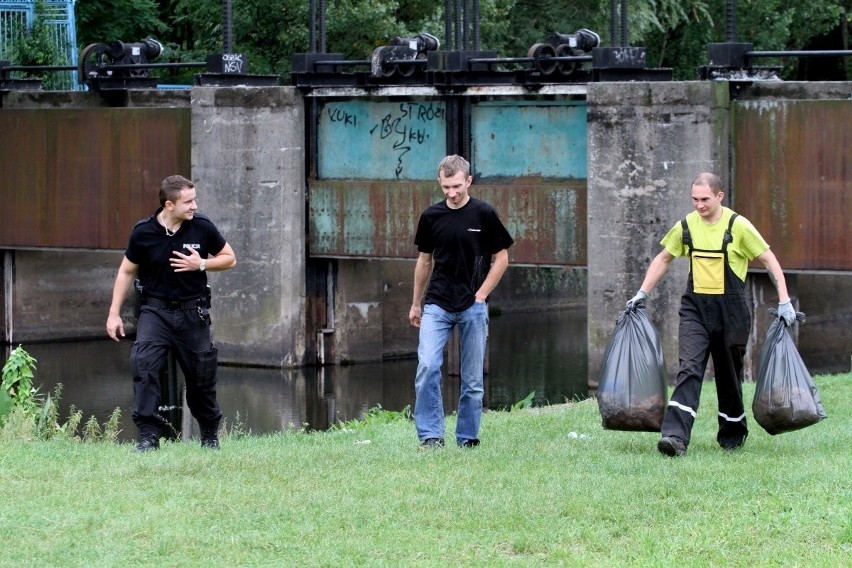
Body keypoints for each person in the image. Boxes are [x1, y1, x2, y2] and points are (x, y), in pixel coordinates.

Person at [626, 172, 796, 457]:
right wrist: (642, 292)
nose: (699, 205)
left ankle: (733, 433)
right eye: (694, 199)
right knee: (689, 368)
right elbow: (664, 257)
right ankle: (675, 436)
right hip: (695, 309)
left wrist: (784, 301)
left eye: (705, 199)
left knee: (728, 375)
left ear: (719, 196)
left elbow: (768, 259)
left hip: (731, 313)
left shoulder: (737, 226)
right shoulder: (687, 225)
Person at [106, 175, 236, 452]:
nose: (194, 206)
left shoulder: (202, 228)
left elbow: (229, 258)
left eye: (194, 199)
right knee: (144, 367)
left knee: (201, 379)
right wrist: (113, 313)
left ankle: (210, 436)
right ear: (169, 204)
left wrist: (201, 264)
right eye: (188, 201)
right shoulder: (143, 232)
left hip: (193, 312)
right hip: (155, 312)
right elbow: (127, 270)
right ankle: (148, 437)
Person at [408, 155, 514, 449]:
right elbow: (423, 262)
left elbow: (502, 257)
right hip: (437, 303)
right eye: (445, 187)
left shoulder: (484, 214)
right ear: (439, 183)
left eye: (456, 186)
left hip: (472, 306)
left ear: (468, 181)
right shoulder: (431, 217)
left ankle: (467, 438)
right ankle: (431, 436)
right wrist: (416, 303)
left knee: (472, 380)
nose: (451, 193)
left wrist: (481, 295)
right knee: (428, 366)